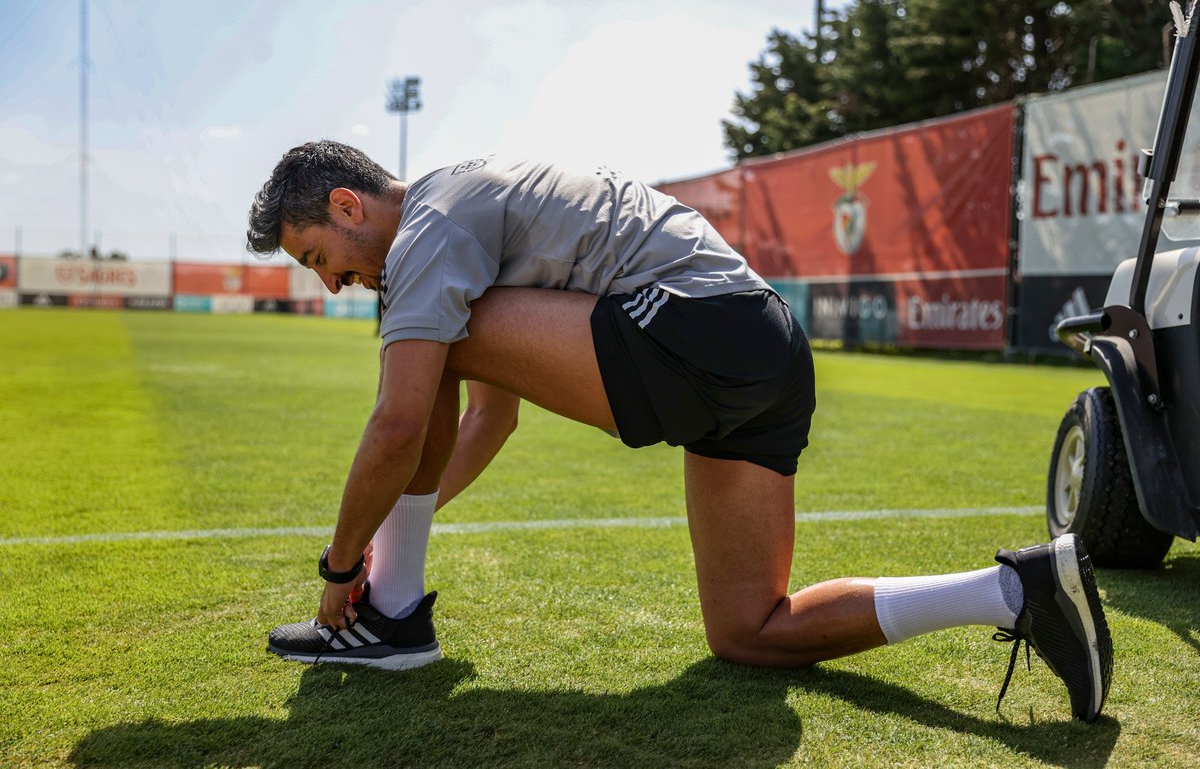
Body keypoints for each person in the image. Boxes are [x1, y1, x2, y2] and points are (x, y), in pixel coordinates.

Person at [247, 141, 1112, 722]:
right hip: (764, 353)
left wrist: (344, 565)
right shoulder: (457, 206)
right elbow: (491, 418)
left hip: (701, 332)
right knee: (750, 632)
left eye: (320, 257)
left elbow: (403, 420)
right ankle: (1012, 591)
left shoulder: (425, 235)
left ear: (348, 205)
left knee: (428, 343)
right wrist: (396, 532)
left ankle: (393, 618)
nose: (332, 282)